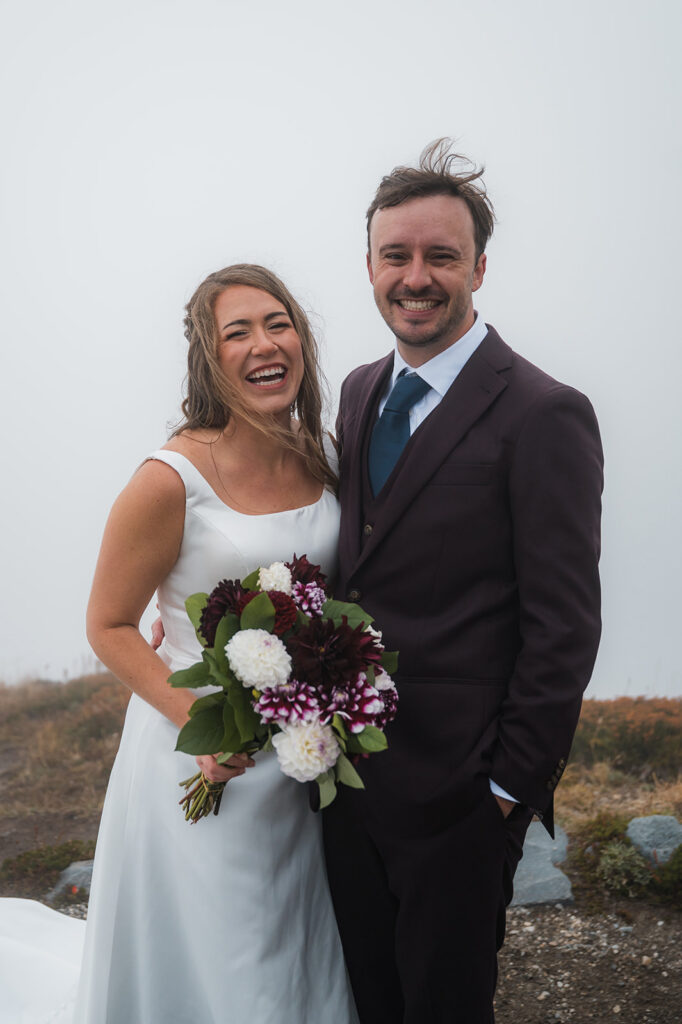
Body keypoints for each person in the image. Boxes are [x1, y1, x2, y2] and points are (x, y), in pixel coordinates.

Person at [322, 140, 604, 1024]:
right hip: (343, 788)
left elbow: (565, 625)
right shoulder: (360, 391)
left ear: (479, 266)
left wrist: (504, 795)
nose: (417, 276)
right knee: (366, 1002)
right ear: (368, 266)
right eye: (395, 256)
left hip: (460, 804)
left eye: (441, 256)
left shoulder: (543, 412)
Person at [69, 264, 357, 1022]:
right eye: (239, 332)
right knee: (226, 968)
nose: (265, 344)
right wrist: (204, 725)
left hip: (299, 763)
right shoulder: (170, 480)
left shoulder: (323, 456)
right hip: (197, 763)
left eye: (279, 323)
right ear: (210, 356)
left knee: (293, 957)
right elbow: (108, 624)